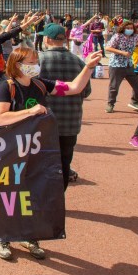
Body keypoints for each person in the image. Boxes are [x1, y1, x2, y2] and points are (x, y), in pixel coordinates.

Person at [0, 46, 101, 259]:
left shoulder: (41, 84)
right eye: (30, 63)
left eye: (35, 62)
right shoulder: (7, 87)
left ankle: (28, 234)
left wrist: (88, 67)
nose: (35, 66)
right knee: (10, 193)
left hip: (34, 148)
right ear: (17, 65)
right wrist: (29, 111)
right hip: (11, 149)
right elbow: (1, 117)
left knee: (32, 192)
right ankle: (1, 236)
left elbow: (74, 88)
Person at [38, 23, 92, 188]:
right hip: (70, 121)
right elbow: (86, 91)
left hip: (43, 121)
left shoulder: (39, 60)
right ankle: (58, 199)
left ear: (47, 39)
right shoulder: (78, 61)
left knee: (40, 163)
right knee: (63, 164)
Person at [104, 21, 138, 113]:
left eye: (131, 28)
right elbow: (108, 48)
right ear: (123, 28)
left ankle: (134, 101)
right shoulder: (118, 36)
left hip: (129, 65)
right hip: (116, 64)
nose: (130, 30)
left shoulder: (135, 37)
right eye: (128, 28)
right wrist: (122, 52)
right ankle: (110, 104)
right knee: (114, 86)